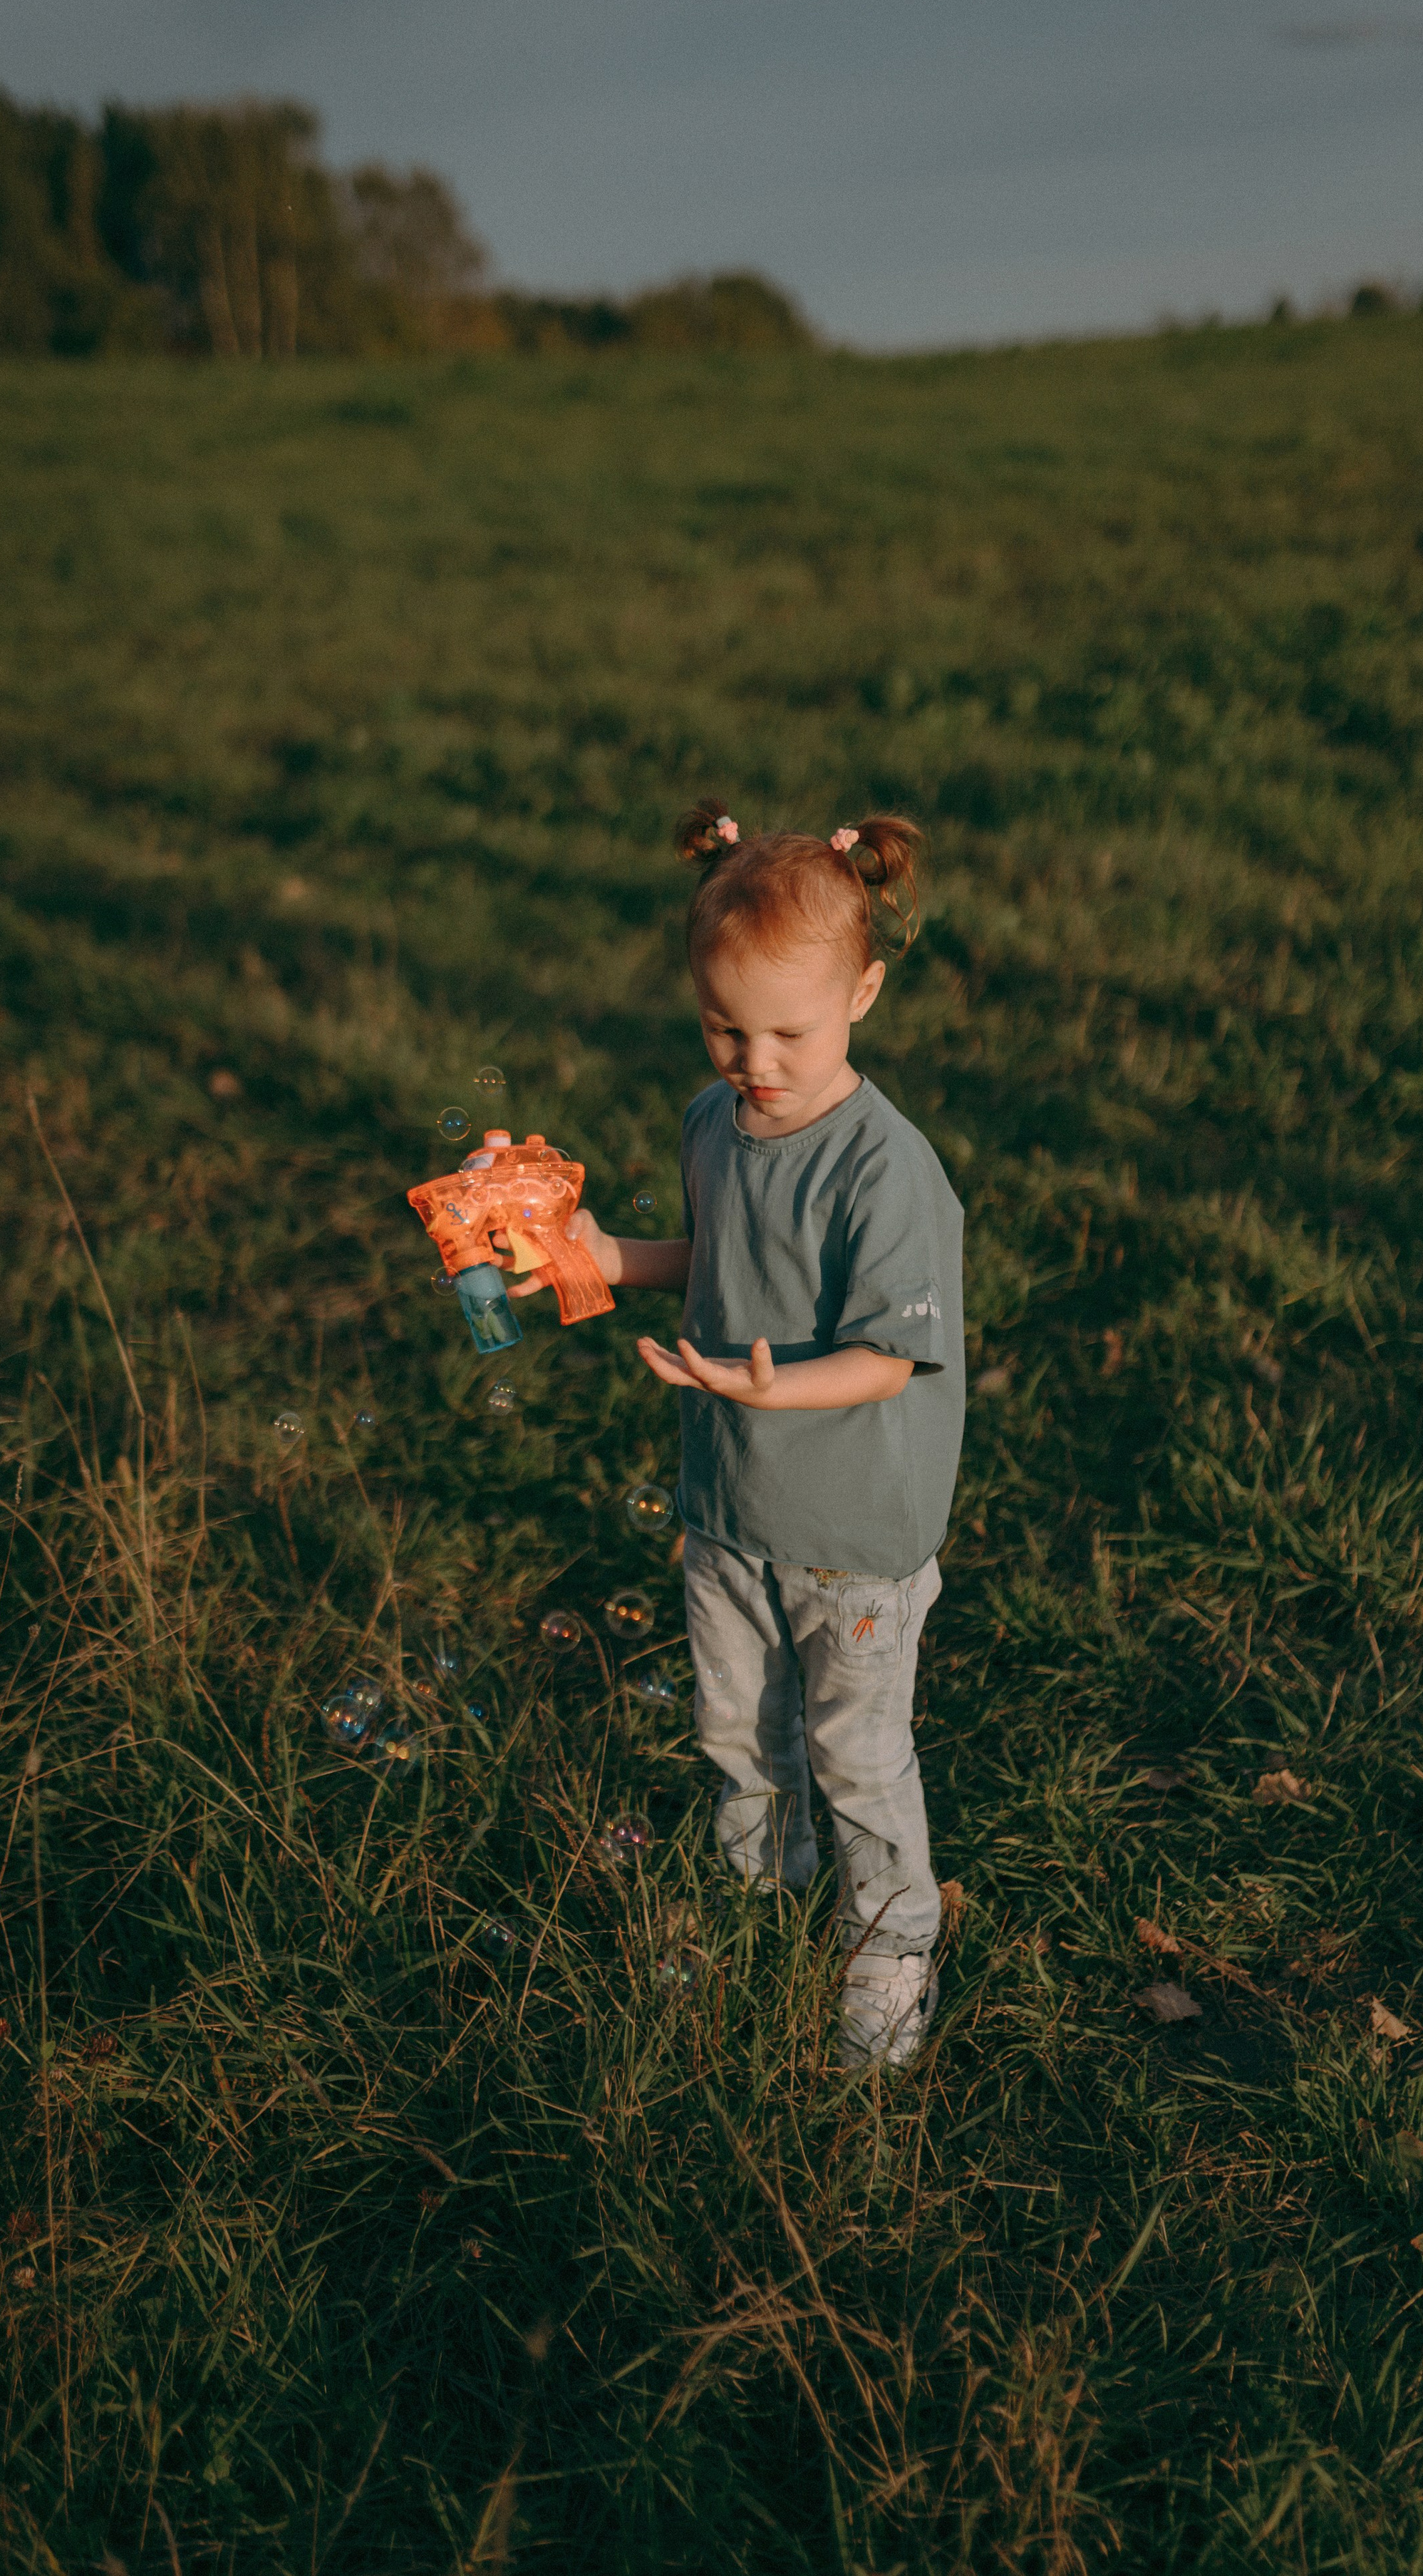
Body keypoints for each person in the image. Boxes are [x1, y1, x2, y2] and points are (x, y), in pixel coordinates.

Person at [515, 800, 966, 2068]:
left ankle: (890, 1938)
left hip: (854, 1530)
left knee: (856, 1749)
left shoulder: (887, 1170)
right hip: (727, 1505)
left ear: (864, 995)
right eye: (724, 1027)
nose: (754, 1060)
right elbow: (722, 1259)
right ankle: (764, 1888)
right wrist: (611, 1256)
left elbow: (887, 1353)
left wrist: (775, 1393)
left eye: (788, 1032)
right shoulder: (717, 1123)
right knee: (736, 1724)